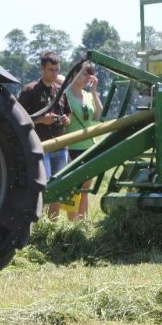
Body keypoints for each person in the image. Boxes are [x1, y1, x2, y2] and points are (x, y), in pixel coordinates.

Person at [18, 51, 71, 219]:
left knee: (58, 188)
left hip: (60, 147)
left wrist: (64, 120)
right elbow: (18, 121)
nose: (54, 73)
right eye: (50, 70)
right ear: (42, 68)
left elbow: (68, 115)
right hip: (40, 149)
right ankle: (40, 226)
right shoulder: (30, 90)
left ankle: (52, 225)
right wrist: (41, 120)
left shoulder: (61, 91)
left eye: (57, 70)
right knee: (44, 189)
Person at [63, 62, 103, 220]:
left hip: (89, 147)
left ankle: (82, 222)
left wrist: (94, 92)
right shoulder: (65, 95)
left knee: (85, 189)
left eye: (90, 73)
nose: (88, 77)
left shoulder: (88, 95)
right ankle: (72, 223)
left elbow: (98, 115)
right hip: (71, 147)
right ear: (74, 73)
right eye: (85, 73)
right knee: (73, 188)